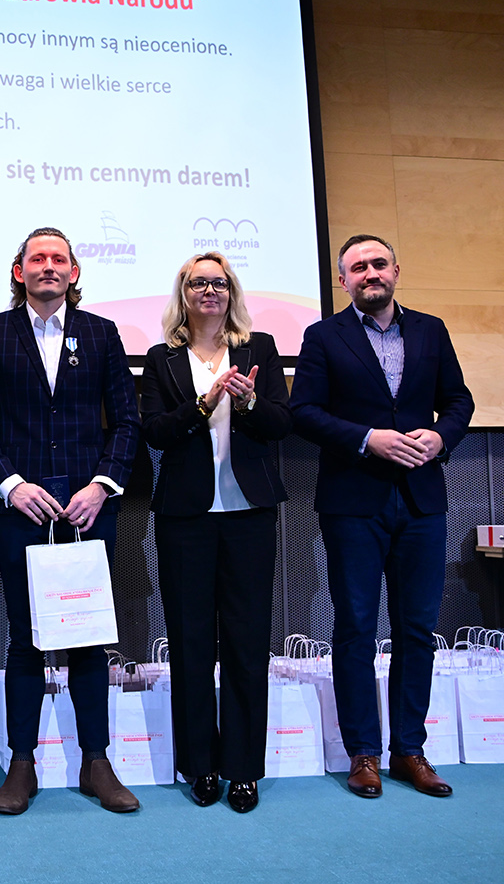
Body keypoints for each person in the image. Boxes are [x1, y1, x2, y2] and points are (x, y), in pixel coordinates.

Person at [0, 227, 142, 814]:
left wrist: (102, 485)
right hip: (22, 509)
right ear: (20, 272)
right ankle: (22, 764)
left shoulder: (102, 333)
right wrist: (11, 485)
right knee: (25, 638)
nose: (48, 266)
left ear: (74, 271)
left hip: (89, 509)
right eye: (37, 258)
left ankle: (96, 762)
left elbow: (128, 422)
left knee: (89, 637)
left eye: (58, 258)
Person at [290, 234, 474, 799]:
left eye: (378, 264)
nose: (370, 273)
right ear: (342, 280)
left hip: (422, 499)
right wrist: (368, 438)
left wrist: (440, 437)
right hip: (353, 501)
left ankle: (409, 750)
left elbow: (459, 401)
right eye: (357, 268)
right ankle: (363, 753)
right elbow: (304, 412)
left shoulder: (431, 330)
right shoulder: (323, 336)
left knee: (417, 629)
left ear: (396, 270)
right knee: (355, 630)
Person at [138, 252, 291, 813]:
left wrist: (247, 401)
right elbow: (155, 432)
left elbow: (282, 423)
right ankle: (200, 764)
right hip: (186, 518)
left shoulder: (260, 349)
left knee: (248, 644)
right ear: (184, 293)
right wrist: (204, 404)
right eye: (198, 283)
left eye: (219, 283)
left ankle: (244, 769)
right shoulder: (161, 359)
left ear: (232, 292)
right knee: (191, 644)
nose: (210, 291)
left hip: (250, 514)